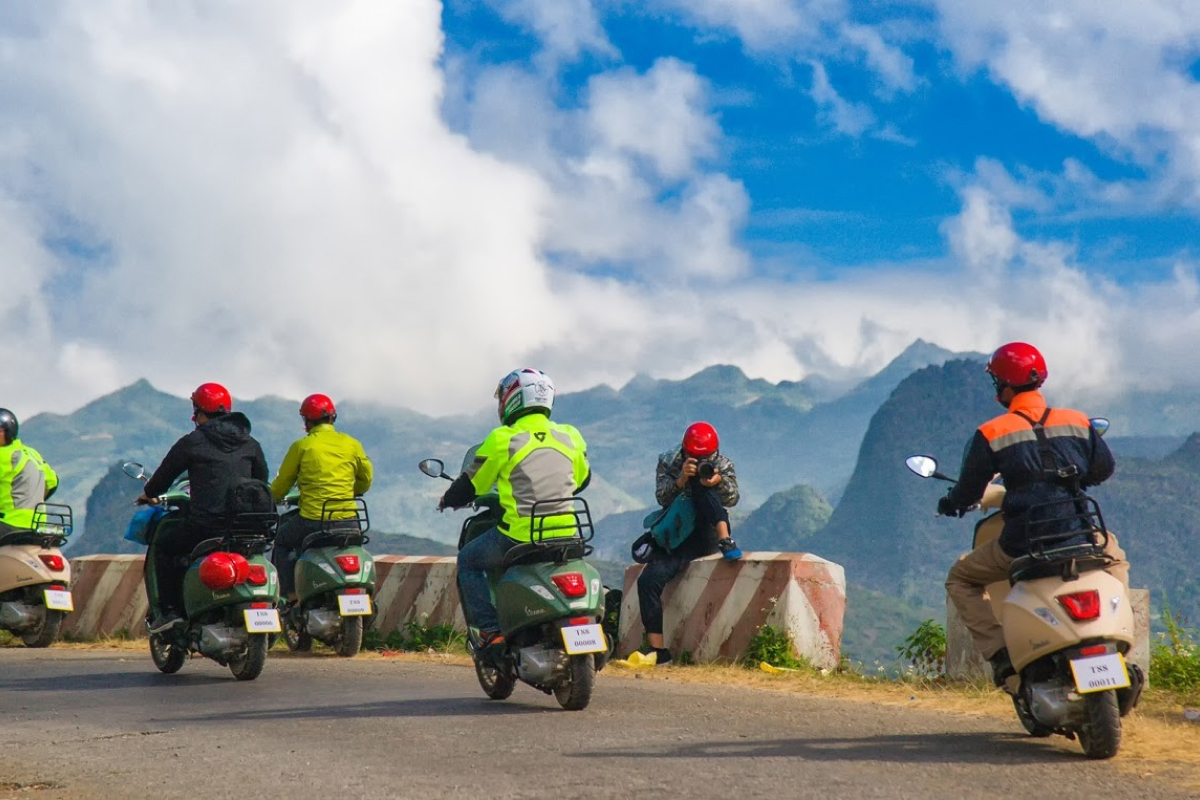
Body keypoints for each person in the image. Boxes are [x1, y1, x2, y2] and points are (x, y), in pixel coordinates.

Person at [939, 342, 1129, 686]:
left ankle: (1001, 655)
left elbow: (968, 491)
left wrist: (951, 503)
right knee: (1114, 558)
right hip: (1080, 532)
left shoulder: (992, 433)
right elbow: (1103, 469)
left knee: (961, 578)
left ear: (1003, 386)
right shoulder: (1077, 422)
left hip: (1022, 542)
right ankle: (1118, 635)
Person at [437, 368, 590, 658]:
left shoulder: (503, 439)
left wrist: (447, 498)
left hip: (519, 535)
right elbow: (581, 479)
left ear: (513, 400)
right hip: (568, 531)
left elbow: (472, 483)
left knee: (468, 560)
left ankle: (491, 632)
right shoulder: (571, 435)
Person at [137, 383, 269, 632]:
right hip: (246, 527)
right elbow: (261, 481)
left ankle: (170, 611)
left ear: (199, 412)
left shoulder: (193, 442)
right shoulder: (250, 443)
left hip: (207, 526)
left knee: (164, 545)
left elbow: (163, 477)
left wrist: (149, 494)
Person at [635, 421, 741, 666]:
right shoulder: (669, 461)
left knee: (705, 491)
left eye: (706, 457)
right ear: (684, 452)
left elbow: (733, 498)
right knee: (648, 581)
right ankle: (658, 650)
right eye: (695, 457)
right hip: (679, 532)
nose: (701, 460)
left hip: (707, 531)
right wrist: (681, 479)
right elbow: (662, 498)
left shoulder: (722, 464)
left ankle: (725, 539)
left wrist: (717, 482)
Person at [269, 393, 373, 604]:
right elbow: (366, 479)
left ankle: (290, 596)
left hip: (313, 521)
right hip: (350, 520)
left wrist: (270, 499)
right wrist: (352, 491)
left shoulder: (302, 447)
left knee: (281, 541)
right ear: (333, 418)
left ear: (307, 422)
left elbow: (281, 485)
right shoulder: (352, 444)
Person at [0, 409, 59, 533]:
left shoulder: (3, 455)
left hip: (9, 523)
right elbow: (52, 482)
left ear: (8, 433)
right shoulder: (32, 453)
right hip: (39, 526)